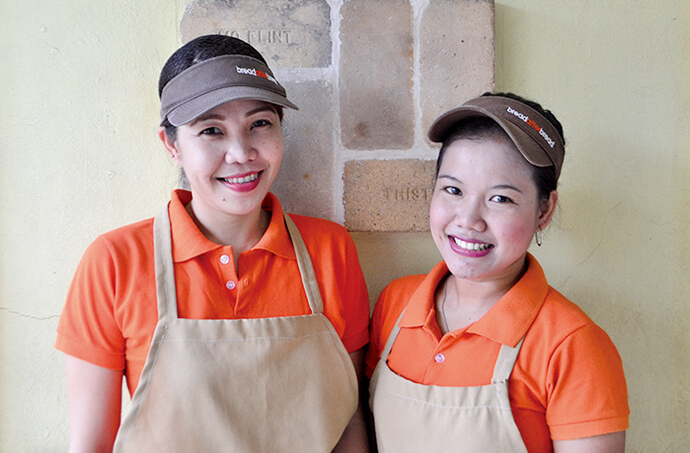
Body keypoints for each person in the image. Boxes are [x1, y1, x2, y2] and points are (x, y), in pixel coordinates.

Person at [56, 34, 371, 452]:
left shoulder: (329, 250)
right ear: (172, 145)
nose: (241, 153)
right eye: (211, 130)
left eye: (260, 123)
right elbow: (90, 445)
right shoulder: (115, 262)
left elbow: (348, 420)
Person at [366, 93, 629, 453]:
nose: (468, 220)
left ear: (544, 211)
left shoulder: (572, 345)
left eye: (500, 198)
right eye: (453, 190)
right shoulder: (396, 303)